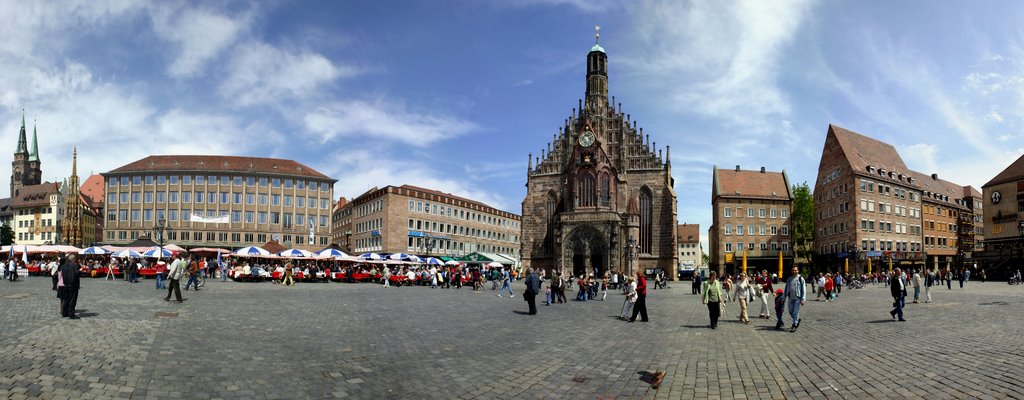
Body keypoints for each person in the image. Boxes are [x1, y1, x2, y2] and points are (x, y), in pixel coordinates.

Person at [783, 267, 806, 332]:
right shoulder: (789, 279)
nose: (794, 271)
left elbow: (803, 290)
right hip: (790, 297)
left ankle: (794, 325)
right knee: (790, 311)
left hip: (797, 298)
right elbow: (786, 288)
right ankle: (797, 320)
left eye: (795, 270)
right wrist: (783, 298)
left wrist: (803, 299)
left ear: (798, 271)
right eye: (793, 270)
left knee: (795, 312)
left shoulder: (800, 278)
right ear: (791, 271)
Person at [58, 254, 81, 319]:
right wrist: (80, 272)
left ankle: (65, 312)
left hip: (65, 284)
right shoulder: (74, 265)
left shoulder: (64, 266)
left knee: (66, 299)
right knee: (72, 299)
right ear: (73, 259)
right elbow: (77, 274)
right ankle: (71, 313)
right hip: (73, 284)